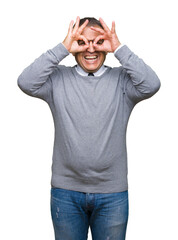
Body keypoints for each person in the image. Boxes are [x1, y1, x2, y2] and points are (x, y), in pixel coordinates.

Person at [17, 16, 161, 240]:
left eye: (98, 41)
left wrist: (119, 48)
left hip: (112, 194)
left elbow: (152, 84)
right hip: (66, 192)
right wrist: (62, 47)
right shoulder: (57, 79)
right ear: (73, 48)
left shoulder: (122, 81)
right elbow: (26, 82)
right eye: (82, 42)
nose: (91, 48)